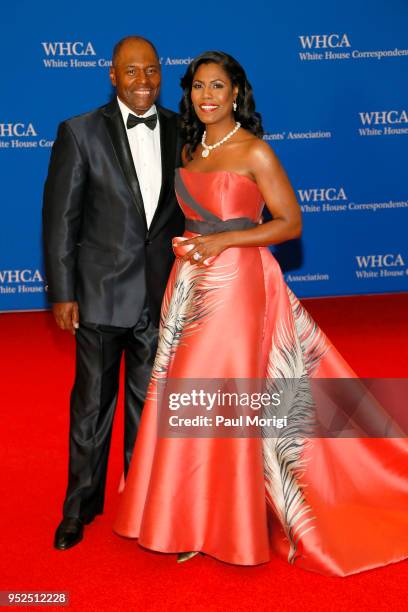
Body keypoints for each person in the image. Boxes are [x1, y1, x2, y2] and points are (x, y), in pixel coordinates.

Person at [113, 51, 408, 576]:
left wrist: (230, 241)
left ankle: (219, 524)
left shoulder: (255, 152)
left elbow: (290, 223)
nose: (207, 96)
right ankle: (184, 513)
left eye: (218, 87)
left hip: (237, 283)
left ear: (236, 94)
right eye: (199, 87)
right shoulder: (188, 147)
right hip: (189, 284)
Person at [42, 35, 184, 550]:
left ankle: (145, 504)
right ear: (111, 74)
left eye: (152, 70)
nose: (143, 81)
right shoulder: (79, 133)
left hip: (159, 294)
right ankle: (79, 507)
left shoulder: (179, 128)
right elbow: (61, 219)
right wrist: (62, 292)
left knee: (151, 410)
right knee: (91, 408)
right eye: (132, 71)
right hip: (100, 295)